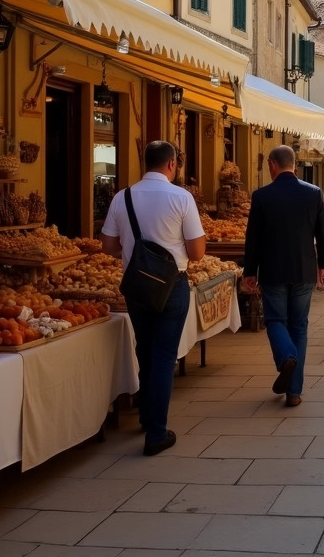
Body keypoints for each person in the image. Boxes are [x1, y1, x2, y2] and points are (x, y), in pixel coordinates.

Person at [101, 140, 205, 456]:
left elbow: (107, 246)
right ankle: (157, 433)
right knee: (162, 356)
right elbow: (197, 252)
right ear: (172, 164)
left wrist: (133, 248)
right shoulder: (181, 198)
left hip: (136, 287)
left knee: (145, 350)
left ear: (144, 162)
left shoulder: (123, 197)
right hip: (172, 286)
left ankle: (147, 417)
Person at [243, 145, 324, 407]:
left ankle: (285, 358)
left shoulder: (261, 196)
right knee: (299, 326)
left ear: (272, 164)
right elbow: (323, 233)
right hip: (304, 270)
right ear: (294, 165)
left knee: (275, 320)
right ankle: (294, 391)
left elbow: (253, 238)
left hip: (272, 271)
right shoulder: (313, 193)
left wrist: (250, 270)